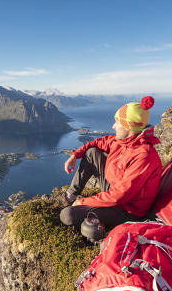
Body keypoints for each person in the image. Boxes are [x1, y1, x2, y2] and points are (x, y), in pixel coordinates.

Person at [59, 96, 162, 228]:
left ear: (129, 127)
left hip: (128, 209)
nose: (113, 126)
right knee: (92, 153)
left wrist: (83, 202)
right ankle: (70, 196)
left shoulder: (144, 156)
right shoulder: (122, 141)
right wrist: (74, 155)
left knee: (67, 215)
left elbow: (120, 196)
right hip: (114, 190)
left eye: (117, 122)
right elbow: (97, 143)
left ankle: (99, 228)